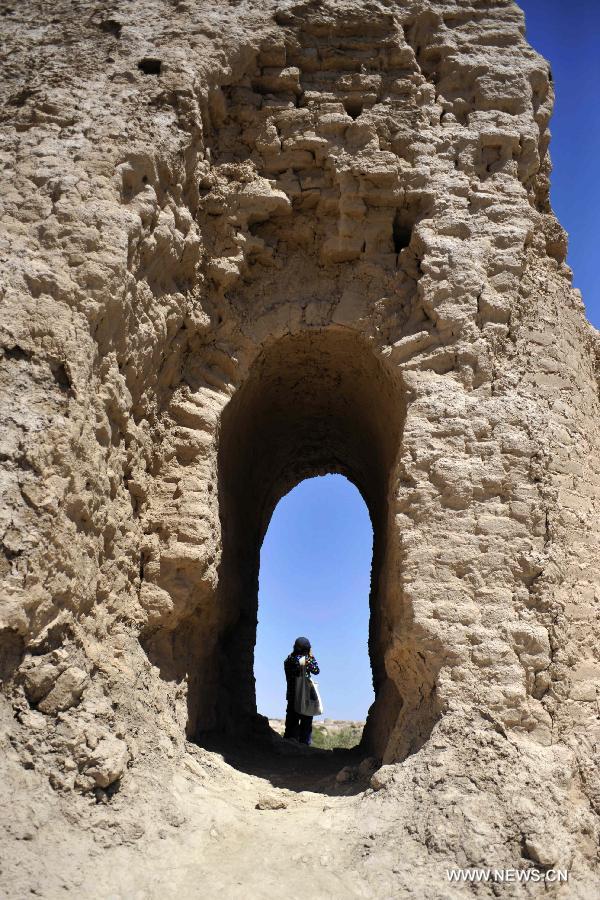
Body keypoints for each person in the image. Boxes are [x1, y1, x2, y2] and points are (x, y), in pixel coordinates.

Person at [283, 636, 320, 745]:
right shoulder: (306, 660)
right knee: (306, 725)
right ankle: (304, 748)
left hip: (292, 696)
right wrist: (311, 657)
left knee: (291, 725)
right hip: (305, 697)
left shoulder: (288, 660)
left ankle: (289, 747)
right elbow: (316, 670)